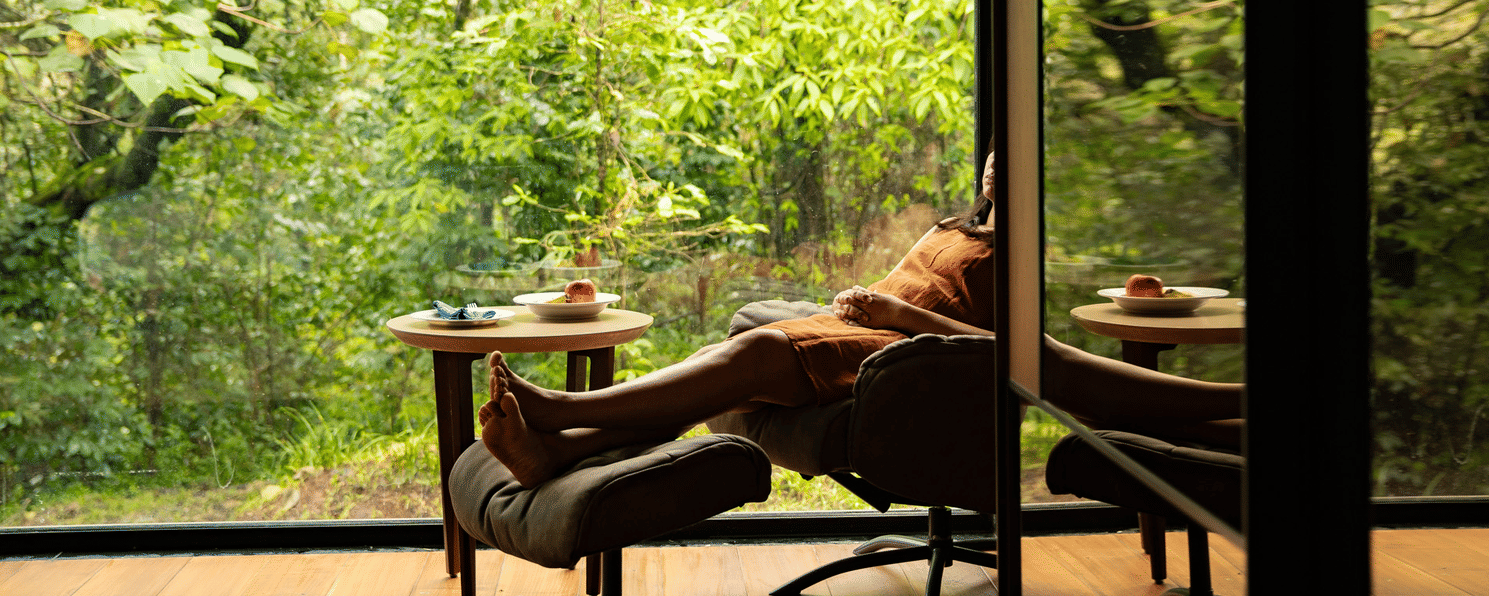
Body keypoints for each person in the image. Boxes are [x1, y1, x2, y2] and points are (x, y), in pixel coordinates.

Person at [479, 151, 1242, 488]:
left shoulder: (1016, 254)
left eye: (1013, 158)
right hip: (861, 332)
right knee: (724, 365)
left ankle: (562, 410)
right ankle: (560, 453)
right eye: (992, 153)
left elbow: (1014, 352)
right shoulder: (965, 228)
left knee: (744, 360)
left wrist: (891, 309)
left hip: (893, 355)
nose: (993, 162)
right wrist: (864, 299)